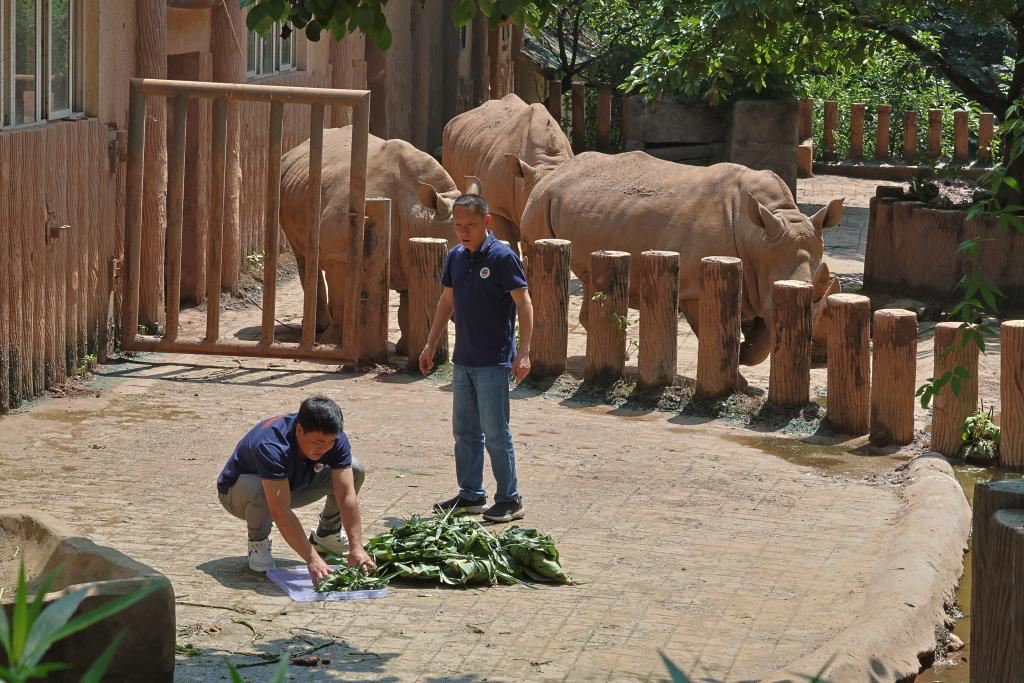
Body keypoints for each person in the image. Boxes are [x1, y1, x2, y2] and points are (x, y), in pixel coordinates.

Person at [419, 194, 534, 523]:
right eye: (457, 225)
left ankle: (510, 499)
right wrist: (430, 345)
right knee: (464, 431)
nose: (462, 231)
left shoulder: (502, 257)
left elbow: (524, 304)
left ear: (487, 222)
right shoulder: (455, 256)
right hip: (463, 359)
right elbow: (446, 301)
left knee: (496, 432)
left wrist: (524, 352)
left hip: (494, 362)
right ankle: (471, 494)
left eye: (469, 225)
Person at [216, 395, 374, 582]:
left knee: (354, 469)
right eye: (318, 442)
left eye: (330, 442)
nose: (324, 448)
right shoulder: (272, 444)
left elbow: (346, 494)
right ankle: (258, 543)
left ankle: (327, 535)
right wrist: (312, 559)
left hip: (291, 486)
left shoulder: (334, 438)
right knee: (260, 489)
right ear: (299, 430)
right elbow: (280, 510)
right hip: (238, 495)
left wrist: (357, 547)